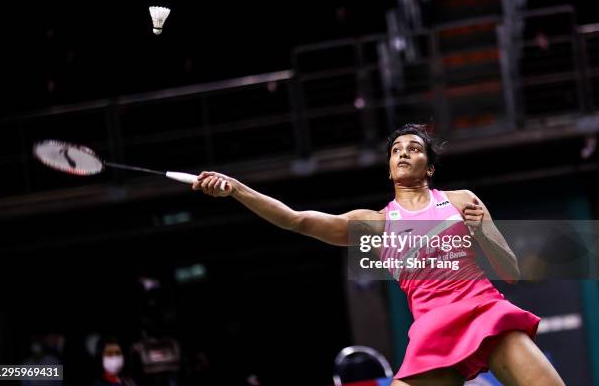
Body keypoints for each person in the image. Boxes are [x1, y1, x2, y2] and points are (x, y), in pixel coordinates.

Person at [191, 123, 565, 386]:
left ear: (430, 168)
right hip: (435, 331)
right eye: (396, 150)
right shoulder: (375, 223)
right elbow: (297, 221)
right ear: (389, 169)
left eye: (414, 148)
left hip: (485, 312)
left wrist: (483, 227)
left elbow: (510, 270)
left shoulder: (461, 200)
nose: (404, 152)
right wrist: (238, 190)